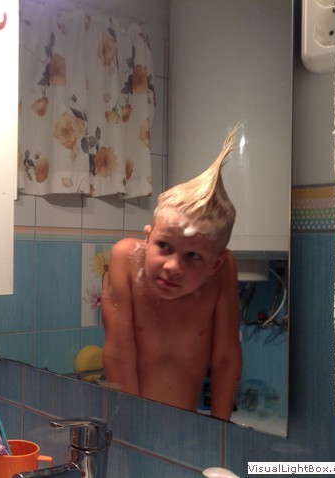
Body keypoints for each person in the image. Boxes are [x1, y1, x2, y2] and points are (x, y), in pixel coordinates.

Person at [101, 127, 242, 420]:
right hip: (131, 421)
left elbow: (226, 358)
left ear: (214, 265)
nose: (173, 267)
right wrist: (133, 427)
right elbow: (118, 354)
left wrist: (220, 430)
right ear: (148, 237)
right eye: (164, 246)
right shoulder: (125, 259)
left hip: (187, 426)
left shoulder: (224, 271)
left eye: (193, 256)